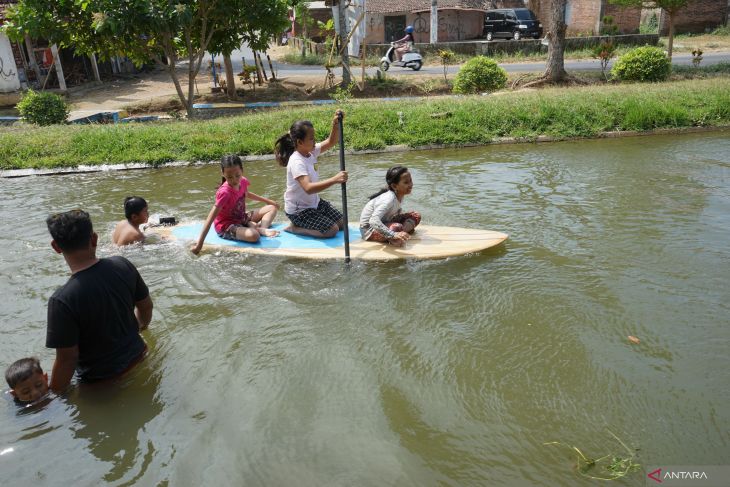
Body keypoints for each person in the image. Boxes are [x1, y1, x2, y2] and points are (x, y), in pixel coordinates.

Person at [45, 209, 153, 393]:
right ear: (94, 239)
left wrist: (51, 397)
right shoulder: (123, 264)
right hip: (141, 356)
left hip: (103, 381)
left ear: (56, 247)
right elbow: (146, 307)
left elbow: (67, 360)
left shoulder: (62, 300)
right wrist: (137, 329)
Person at [275, 110, 348, 238]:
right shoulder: (297, 161)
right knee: (332, 230)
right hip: (299, 211)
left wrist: (335, 125)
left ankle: (313, 220)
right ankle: (295, 228)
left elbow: (331, 142)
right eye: (311, 138)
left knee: (342, 223)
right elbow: (308, 188)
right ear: (299, 142)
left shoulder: (310, 151)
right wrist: (334, 179)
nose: (314, 141)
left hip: (314, 203)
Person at [191, 155, 280, 254]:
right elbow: (210, 218)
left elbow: (247, 194)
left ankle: (261, 228)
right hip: (226, 226)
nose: (234, 180)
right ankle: (258, 229)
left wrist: (269, 201)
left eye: (237, 175)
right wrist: (199, 244)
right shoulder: (224, 193)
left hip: (241, 218)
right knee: (254, 236)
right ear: (223, 173)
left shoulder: (243, 181)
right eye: (229, 177)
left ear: (242, 171)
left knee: (271, 208)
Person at [359, 166, 421, 247]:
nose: (411, 184)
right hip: (369, 230)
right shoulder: (389, 199)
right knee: (397, 227)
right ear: (394, 186)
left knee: (415, 215)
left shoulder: (399, 195)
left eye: (410, 181)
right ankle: (396, 235)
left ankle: (400, 232)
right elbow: (373, 221)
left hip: (385, 222)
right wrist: (393, 234)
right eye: (406, 182)